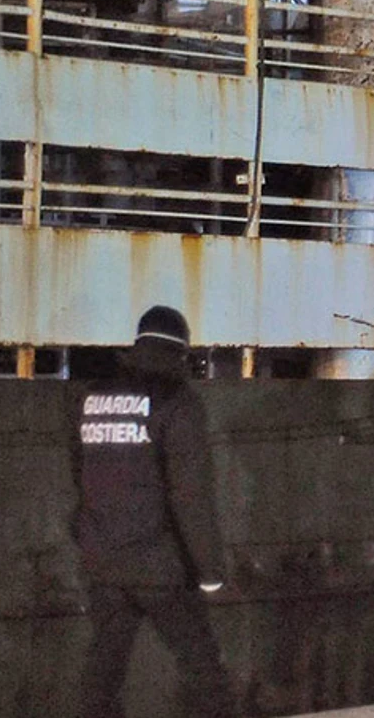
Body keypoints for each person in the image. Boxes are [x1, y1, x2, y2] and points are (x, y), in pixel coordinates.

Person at [73, 306, 236, 718]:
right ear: (181, 352)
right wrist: (210, 572)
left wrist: (90, 534)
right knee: (202, 667)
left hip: (103, 560)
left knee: (103, 672)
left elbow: (80, 472)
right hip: (159, 567)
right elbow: (190, 495)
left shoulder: (92, 398)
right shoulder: (177, 403)